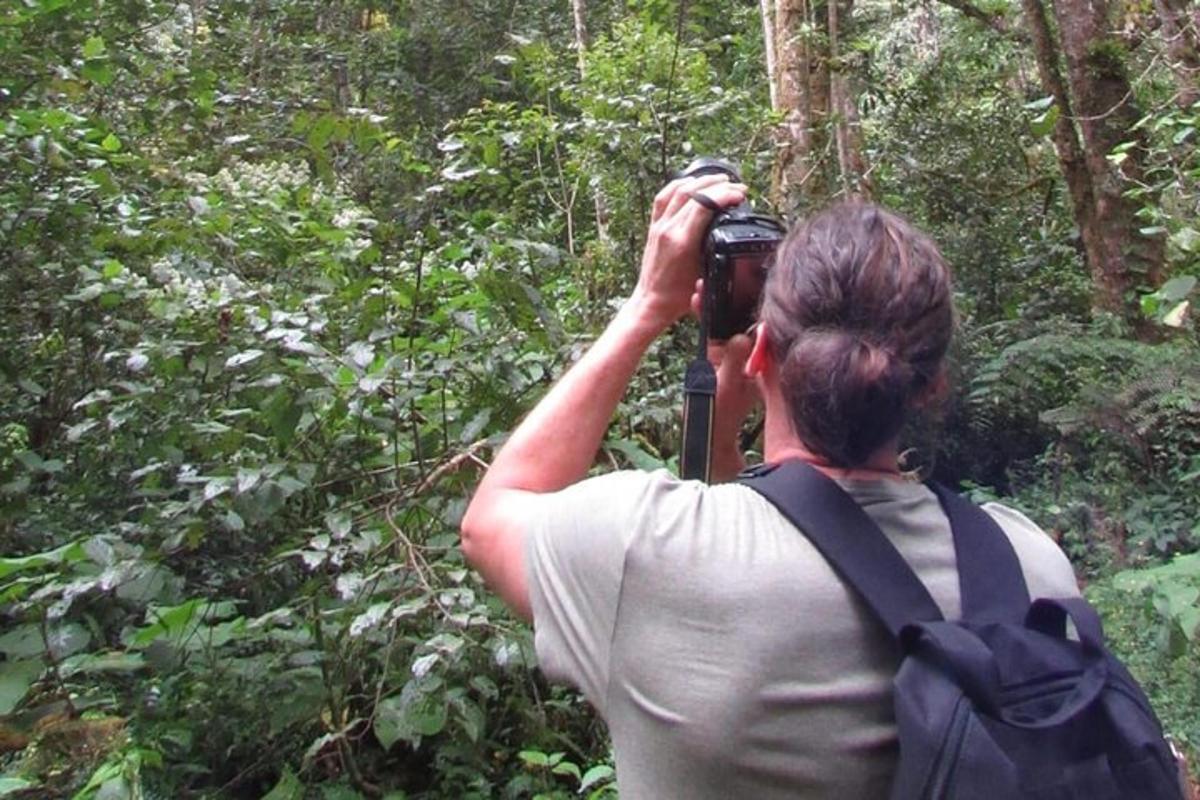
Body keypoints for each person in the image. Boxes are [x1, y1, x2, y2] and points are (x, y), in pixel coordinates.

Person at [459, 174, 1081, 798]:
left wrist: (647, 305)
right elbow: (786, 524)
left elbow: (492, 518)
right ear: (931, 383)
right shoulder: (1035, 570)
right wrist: (724, 426)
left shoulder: (647, 554)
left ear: (762, 355)